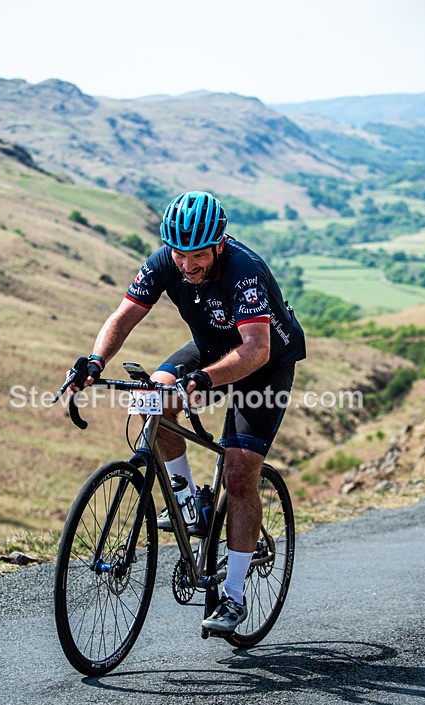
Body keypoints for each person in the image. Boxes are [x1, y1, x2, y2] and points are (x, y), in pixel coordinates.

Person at [69, 190, 306, 634]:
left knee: (238, 472)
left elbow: (256, 349)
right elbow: (123, 316)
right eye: (180, 255)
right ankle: (186, 499)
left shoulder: (243, 270)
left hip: (266, 362)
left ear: (218, 244)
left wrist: (203, 381)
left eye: (198, 255)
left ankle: (233, 596)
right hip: (214, 346)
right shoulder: (165, 261)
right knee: (152, 396)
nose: (188, 265)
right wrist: (95, 361)